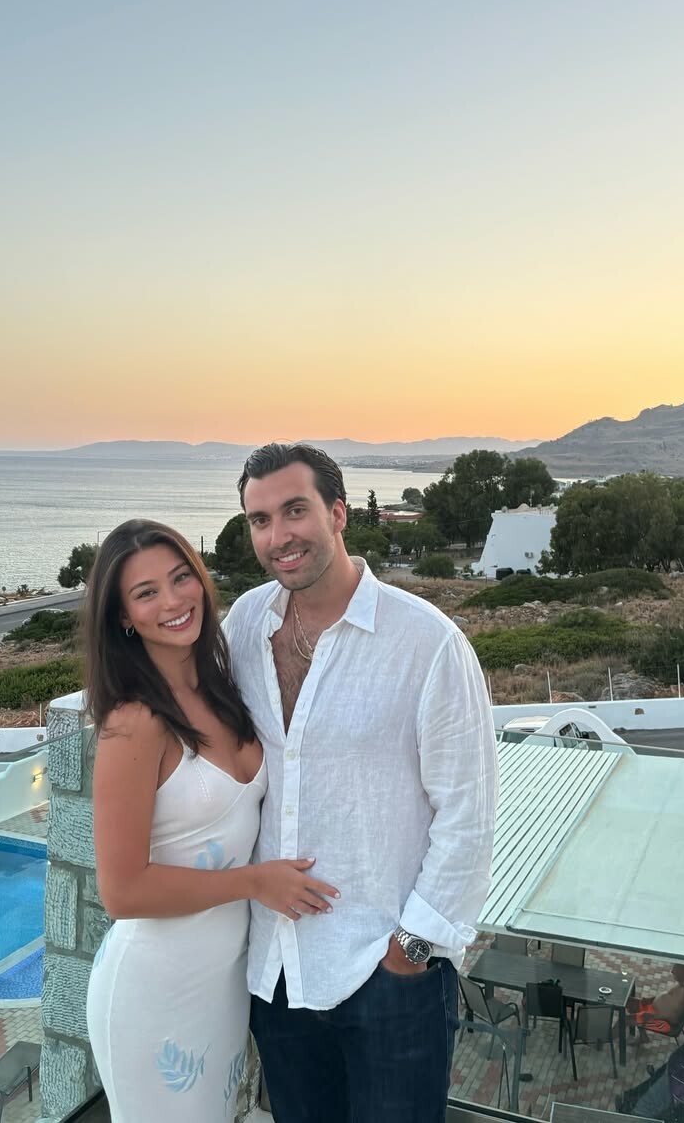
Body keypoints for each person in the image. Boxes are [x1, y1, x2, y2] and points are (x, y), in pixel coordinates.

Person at [224, 444, 498, 1123]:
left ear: (338, 513)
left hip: (388, 977)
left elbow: (468, 817)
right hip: (278, 974)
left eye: (296, 510)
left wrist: (410, 952)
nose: (279, 536)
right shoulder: (245, 626)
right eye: (260, 520)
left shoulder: (428, 643)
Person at [83, 519, 338, 1123]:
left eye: (181, 578)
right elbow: (121, 892)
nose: (173, 601)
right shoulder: (134, 723)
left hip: (222, 984)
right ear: (124, 617)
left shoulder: (223, 686)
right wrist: (255, 882)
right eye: (146, 593)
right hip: (155, 988)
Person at [628, 964, 684, 1033]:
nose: (672, 971)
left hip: (661, 1022)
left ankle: (623, 1037)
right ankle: (642, 1035)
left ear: (683, 971)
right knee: (628, 1001)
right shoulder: (681, 984)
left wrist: (654, 1016)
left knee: (625, 1019)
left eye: (675, 969)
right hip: (653, 1010)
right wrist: (650, 999)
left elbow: (674, 1018)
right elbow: (666, 996)